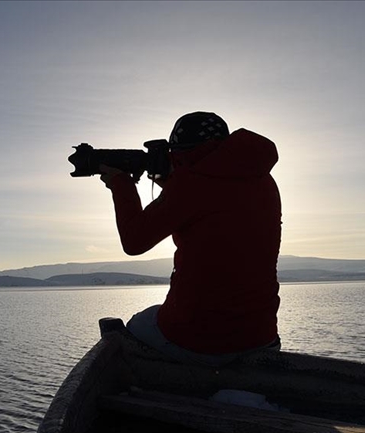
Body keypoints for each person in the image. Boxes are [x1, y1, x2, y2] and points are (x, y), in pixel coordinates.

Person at [98, 111, 282, 367]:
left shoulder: (189, 185)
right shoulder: (262, 179)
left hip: (201, 339)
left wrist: (121, 184)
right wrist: (170, 185)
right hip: (261, 336)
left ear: (181, 151)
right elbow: (211, 203)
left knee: (135, 325)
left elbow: (134, 241)